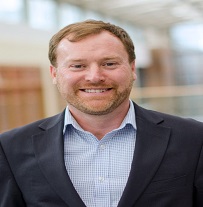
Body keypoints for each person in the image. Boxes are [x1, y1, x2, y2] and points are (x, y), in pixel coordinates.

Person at [0, 19, 203, 207]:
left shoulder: (193, 138)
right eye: (78, 66)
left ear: (132, 69)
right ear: (55, 74)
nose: (95, 77)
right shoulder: (11, 149)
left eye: (109, 64)